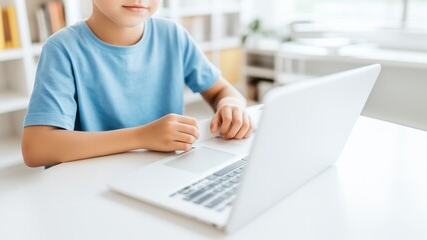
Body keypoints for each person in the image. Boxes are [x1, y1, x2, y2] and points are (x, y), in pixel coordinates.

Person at [21, 0, 253, 167]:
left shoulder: (172, 35)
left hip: (161, 173)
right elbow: (36, 148)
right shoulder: (62, 49)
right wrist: (141, 137)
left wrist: (231, 104)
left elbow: (222, 90)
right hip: (91, 186)